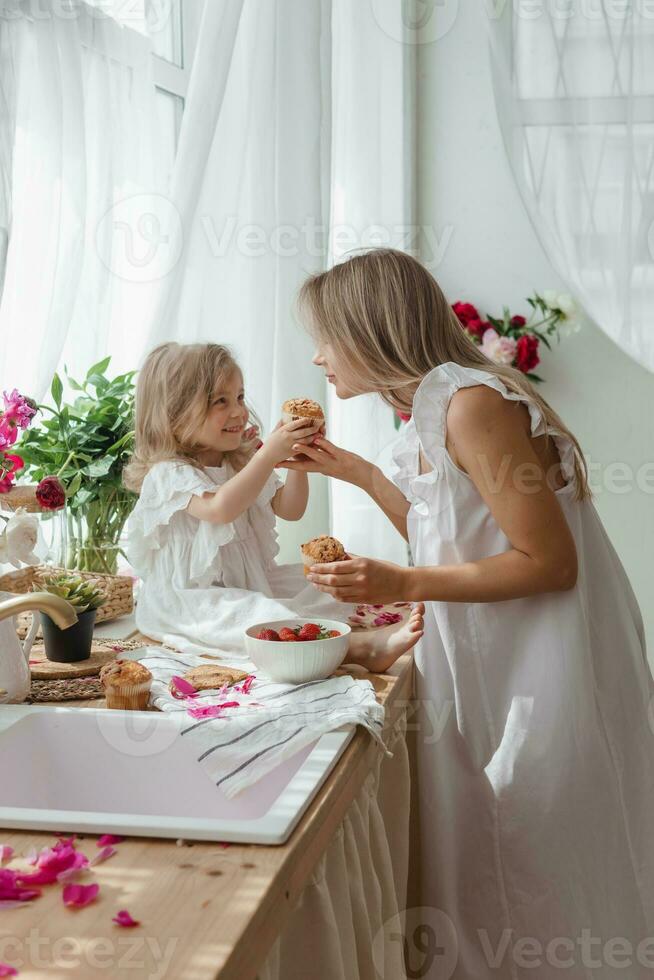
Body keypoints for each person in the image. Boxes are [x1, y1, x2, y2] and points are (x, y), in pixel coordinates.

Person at [285, 249, 654, 978]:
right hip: (509, 666)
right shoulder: (435, 410)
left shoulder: (471, 403)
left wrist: (400, 578)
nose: (319, 356)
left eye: (326, 335)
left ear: (369, 328)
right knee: (519, 860)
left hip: (546, 673)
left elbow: (549, 562)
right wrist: (358, 476)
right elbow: (448, 533)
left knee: (544, 857)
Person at [124, 341, 423, 668]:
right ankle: (360, 648)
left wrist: (296, 459)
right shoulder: (170, 474)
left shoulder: (241, 461)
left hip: (252, 582)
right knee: (260, 616)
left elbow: (291, 508)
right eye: (220, 401)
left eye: (239, 396)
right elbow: (220, 509)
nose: (238, 411)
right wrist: (268, 455)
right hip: (191, 600)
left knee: (320, 585)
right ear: (176, 414)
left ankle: (375, 617)